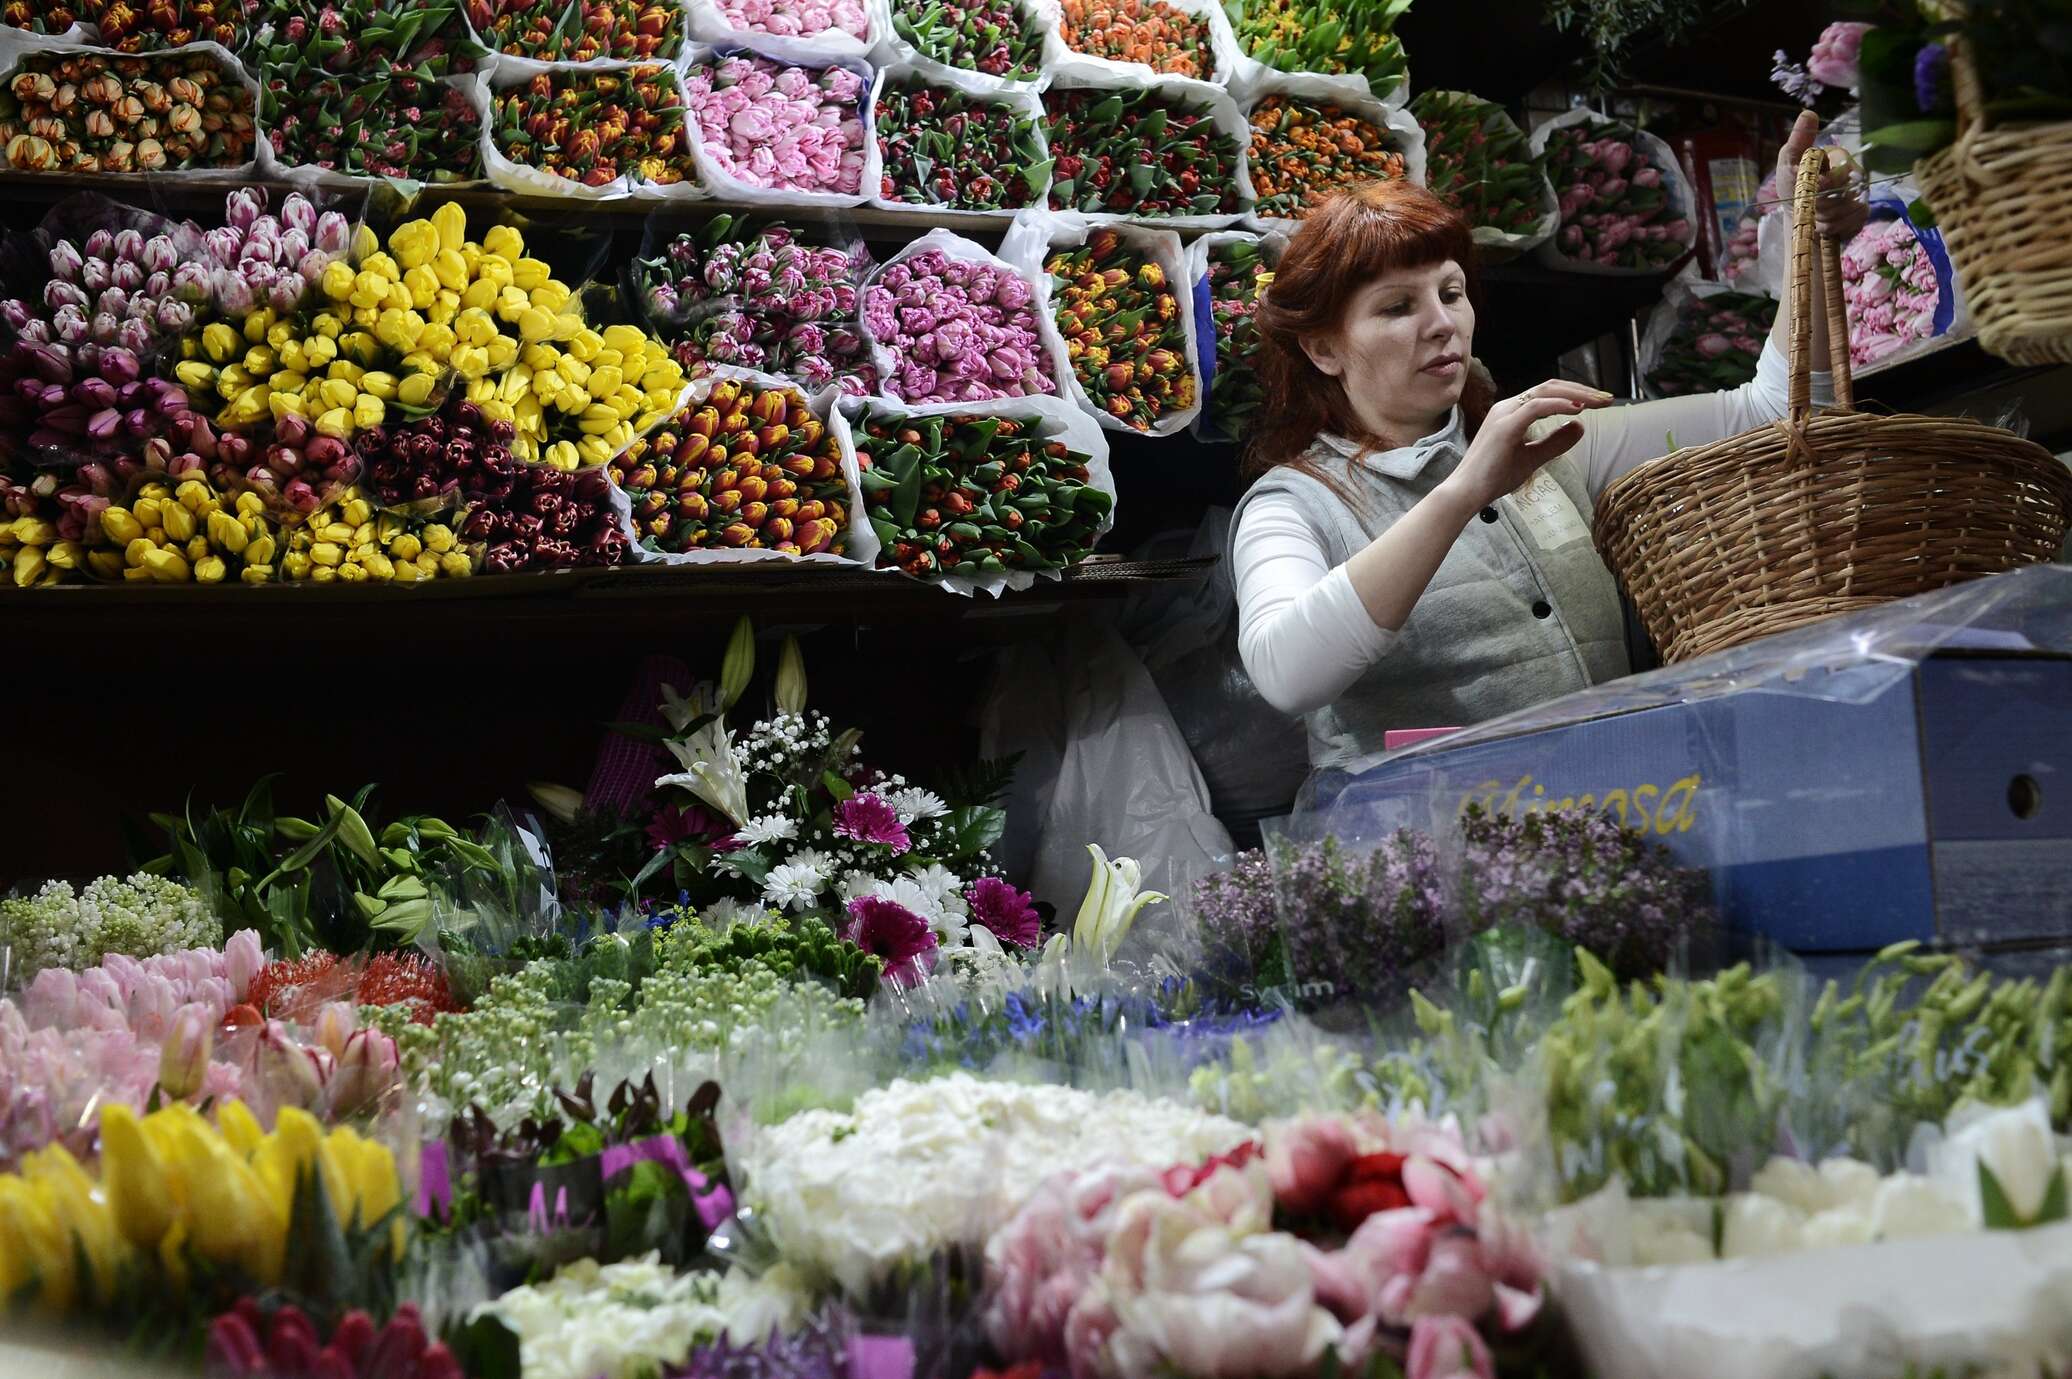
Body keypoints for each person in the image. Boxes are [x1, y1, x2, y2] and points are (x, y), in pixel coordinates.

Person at [1232, 111, 1867, 773]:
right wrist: (1463, 491)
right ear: (1325, 348)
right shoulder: (1294, 503)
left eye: (1451, 292)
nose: (1443, 322)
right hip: (1432, 862)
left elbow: (1774, 414)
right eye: (1398, 307)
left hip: (1618, 821)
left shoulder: (1549, 443)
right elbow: (1287, 674)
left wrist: (1807, 237)